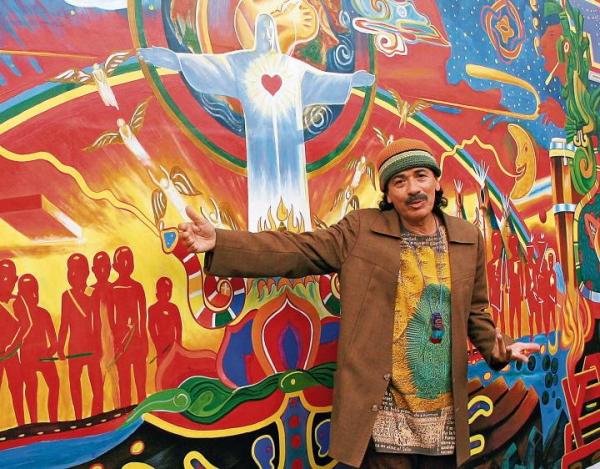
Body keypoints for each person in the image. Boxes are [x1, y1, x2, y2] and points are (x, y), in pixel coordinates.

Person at [177, 138, 540, 468]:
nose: (413, 189)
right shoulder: (361, 231)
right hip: (381, 417)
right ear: (388, 194)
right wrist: (220, 242)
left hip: (444, 417)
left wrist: (500, 348)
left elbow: (475, 311)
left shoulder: (466, 238)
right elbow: (297, 250)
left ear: (436, 182)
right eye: (400, 182)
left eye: (421, 176)